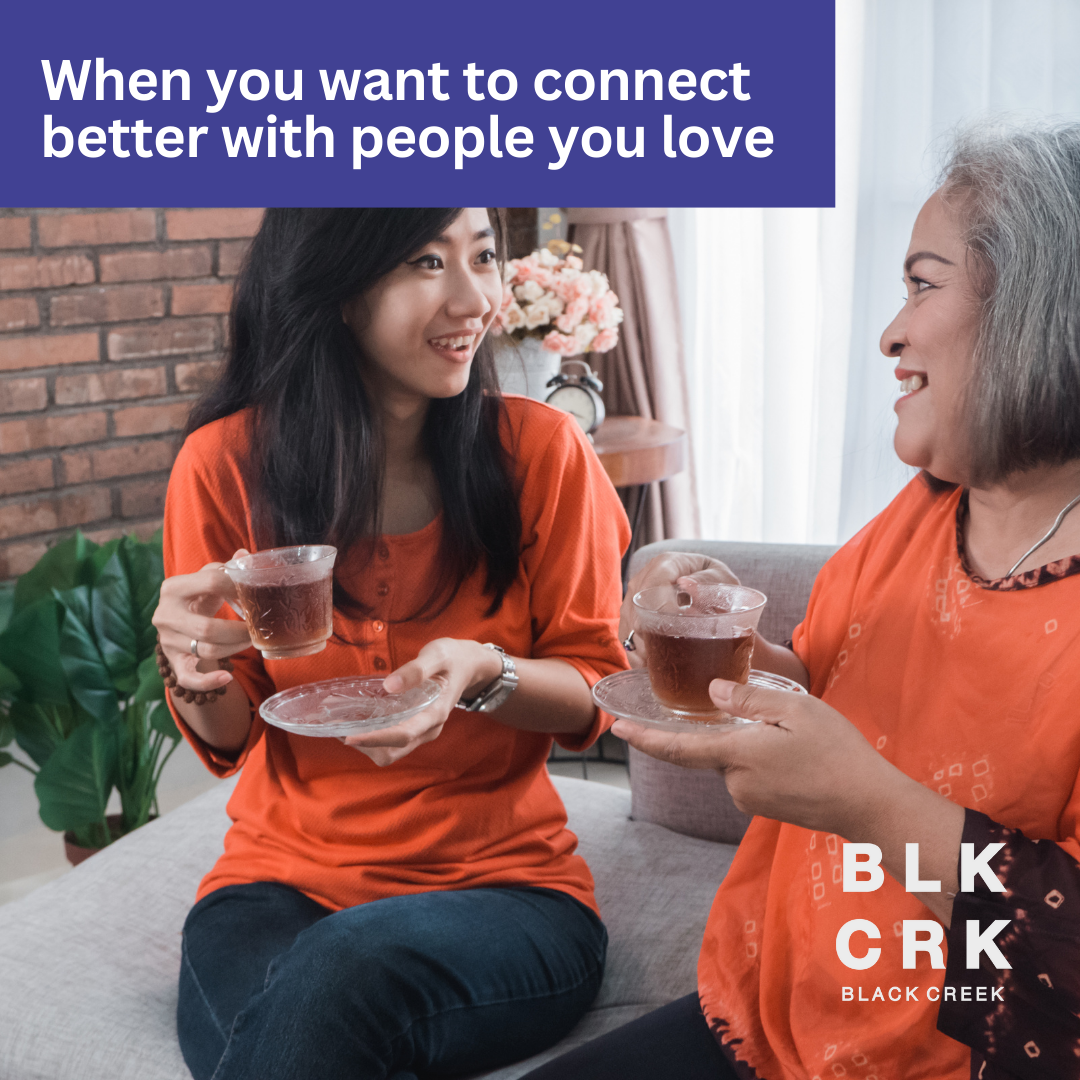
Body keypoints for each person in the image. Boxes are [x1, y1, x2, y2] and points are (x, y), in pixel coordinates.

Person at [521, 123, 1080, 1080]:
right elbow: (831, 683)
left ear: (1035, 305)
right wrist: (709, 637)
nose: (891, 335)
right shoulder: (919, 516)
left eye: (923, 282)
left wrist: (870, 805)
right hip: (765, 1014)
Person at [152, 207, 630, 1080]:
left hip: (508, 890)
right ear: (338, 290)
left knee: (335, 981)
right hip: (273, 885)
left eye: (482, 257)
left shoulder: (542, 453)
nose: (474, 298)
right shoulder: (224, 466)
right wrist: (196, 673)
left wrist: (486, 674)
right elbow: (234, 735)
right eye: (424, 261)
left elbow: (596, 694)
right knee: (303, 1032)